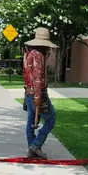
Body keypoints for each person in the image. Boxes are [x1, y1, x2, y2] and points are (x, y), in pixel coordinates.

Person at [23, 27, 58, 159]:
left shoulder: (28, 54)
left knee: (31, 122)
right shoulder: (38, 55)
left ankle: (32, 149)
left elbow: (27, 76)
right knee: (51, 119)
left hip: (28, 92)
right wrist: (38, 96)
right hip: (38, 94)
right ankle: (35, 146)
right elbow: (37, 78)